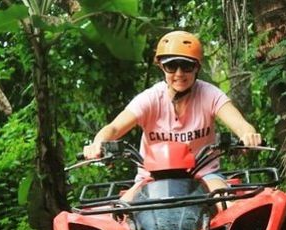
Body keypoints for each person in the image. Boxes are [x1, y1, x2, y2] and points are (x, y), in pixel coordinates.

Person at [83, 30, 263, 181]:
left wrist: (248, 135)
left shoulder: (210, 95)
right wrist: (97, 144)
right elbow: (114, 128)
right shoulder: (150, 99)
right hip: (152, 178)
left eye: (186, 66)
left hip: (203, 176)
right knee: (126, 215)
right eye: (171, 66)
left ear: (197, 67)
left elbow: (240, 124)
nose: (179, 74)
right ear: (161, 67)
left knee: (226, 205)